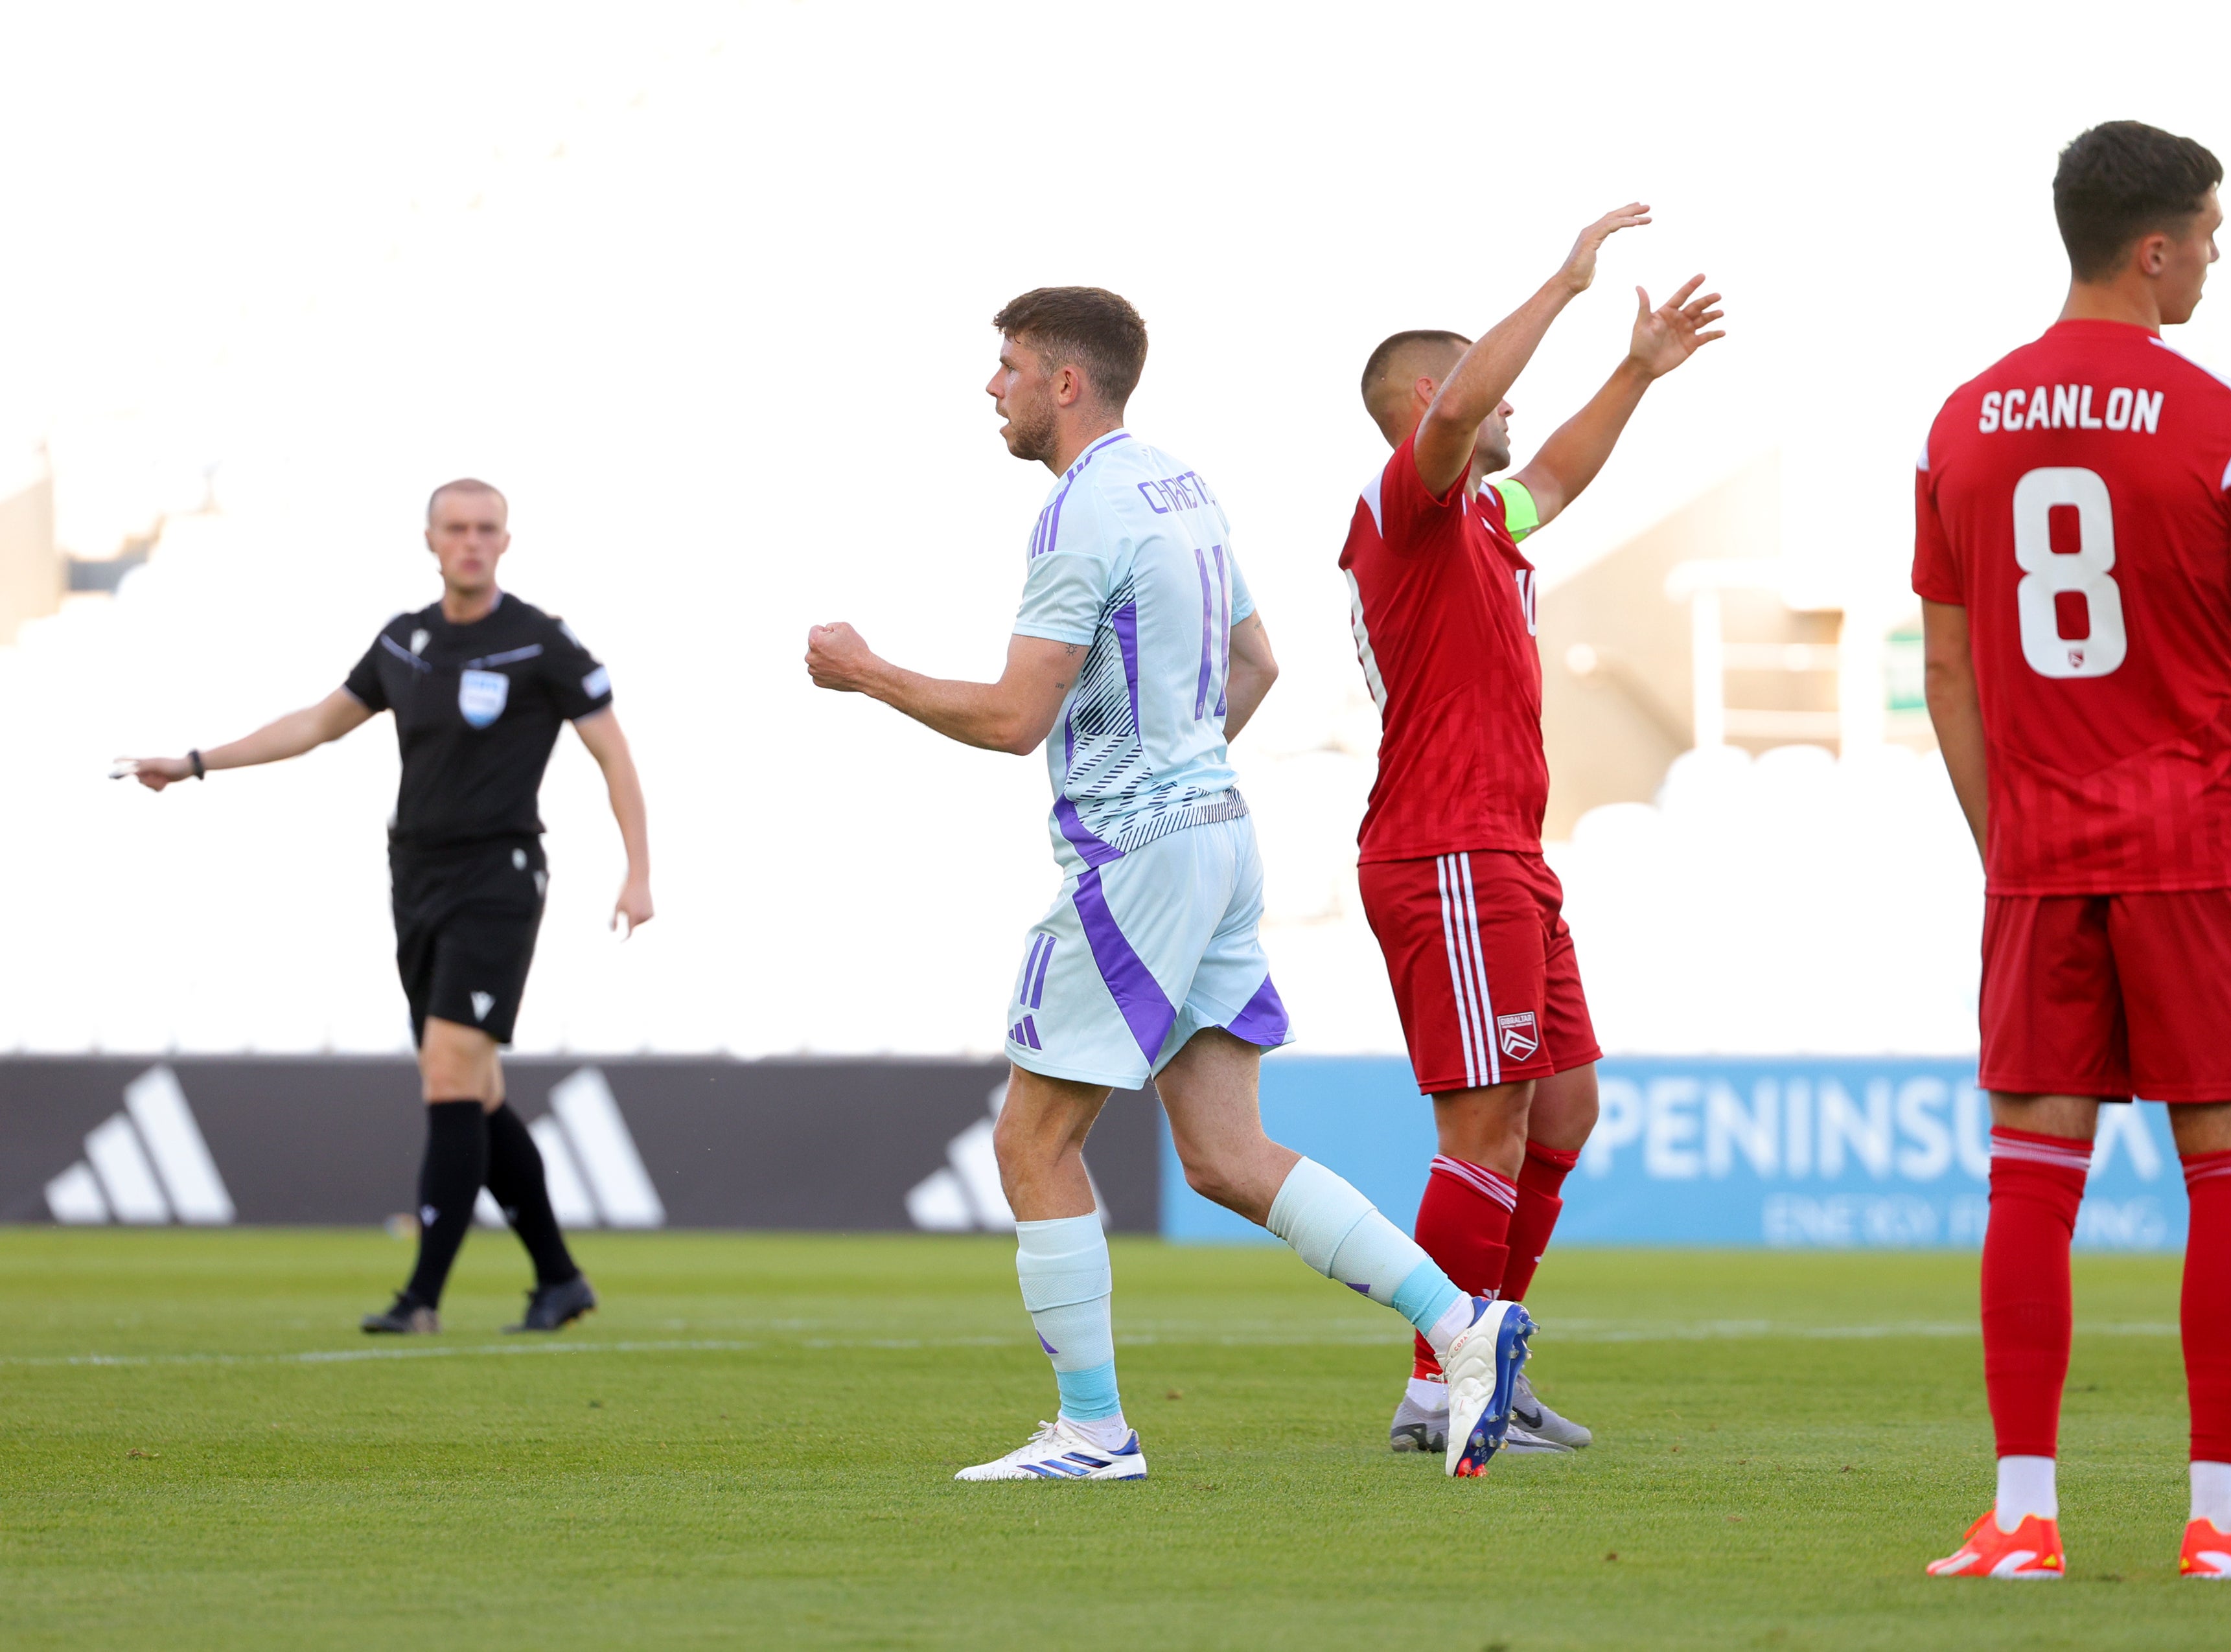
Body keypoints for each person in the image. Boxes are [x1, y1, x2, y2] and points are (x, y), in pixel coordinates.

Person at [803, 286, 1534, 1480]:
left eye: (1008, 367)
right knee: (1227, 1154)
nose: (992, 387)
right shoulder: (1181, 485)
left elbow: (1010, 717)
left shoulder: (1077, 512)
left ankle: (1093, 1431)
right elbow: (1256, 661)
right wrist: (1181, 772)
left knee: (1032, 1140)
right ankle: (1463, 1328)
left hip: (1137, 854)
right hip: (1219, 834)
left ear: (1065, 383)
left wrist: (866, 669)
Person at [1915, 122, 2231, 1581]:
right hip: (2195, 848)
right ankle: (2227, 1519)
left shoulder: (1958, 420)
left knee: (2027, 1175)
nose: (2216, 260)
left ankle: (2019, 1518)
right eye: (2209, 237)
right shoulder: (2229, 416)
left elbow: (1944, 670)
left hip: (2042, 855)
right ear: (2152, 244)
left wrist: (2012, 847)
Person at [1341, 208, 1721, 1453]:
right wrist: (1561, 288)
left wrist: (1635, 371)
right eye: (1482, 399)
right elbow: (1467, 421)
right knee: (1485, 1120)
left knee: (1560, 1111)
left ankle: (1485, 1348)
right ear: (1429, 392)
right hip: (1443, 847)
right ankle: (1432, 1378)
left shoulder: (1484, 522)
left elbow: (1551, 472)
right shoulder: (1401, 504)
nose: (1507, 421)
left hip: (1506, 849)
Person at [121, 479, 654, 1337]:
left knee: (445, 1069)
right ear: (431, 540)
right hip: (415, 877)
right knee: (472, 1089)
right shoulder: (404, 643)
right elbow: (318, 724)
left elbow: (613, 754)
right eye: (457, 528)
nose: (472, 542)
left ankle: (422, 1299)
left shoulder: (538, 642)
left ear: (506, 542)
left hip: (500, 876)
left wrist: (638, 870)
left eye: (487, 529)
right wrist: (194, 761)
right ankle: (559, 1278)